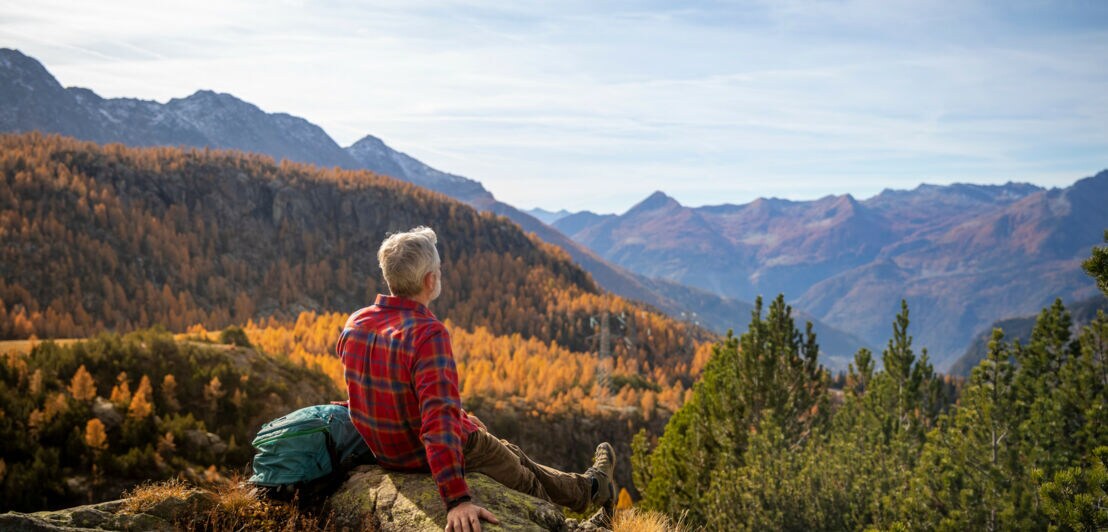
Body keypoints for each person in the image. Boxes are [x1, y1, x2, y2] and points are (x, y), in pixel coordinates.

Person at [337, 226, 616, 532]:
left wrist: (461, 417)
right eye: (438, 270)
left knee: (508, 451)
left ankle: (590, 488)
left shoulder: (357, 322)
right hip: (422, 454)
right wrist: (456, 500)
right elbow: (437, 424)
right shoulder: (428, 334)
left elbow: (376, 390)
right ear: (431, 280)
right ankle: (577, 523)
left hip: (388, 453)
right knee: (521, 476)